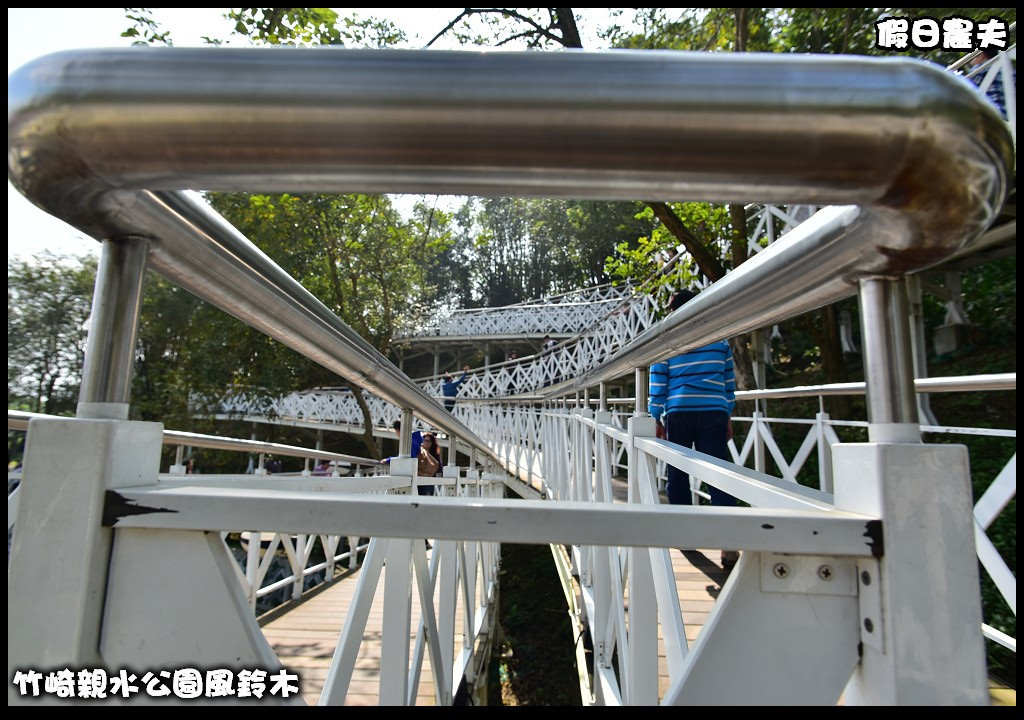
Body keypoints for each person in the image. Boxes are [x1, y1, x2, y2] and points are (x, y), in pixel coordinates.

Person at [648, 289, 739, 570]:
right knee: (719, 474)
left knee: (678, 471)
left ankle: (685, 533)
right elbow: (728, 382)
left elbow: (658, 379)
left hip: (679, 412)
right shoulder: (718, 339)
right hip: (713, 411)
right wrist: (727, 413)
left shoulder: (668, 342)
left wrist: (655, 415)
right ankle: (729, 545)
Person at [419, 432, 443, 496]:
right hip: (419, 480)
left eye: (428, 441)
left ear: (432, 442)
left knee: (427, 500)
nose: (426, 442)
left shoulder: (435, 454)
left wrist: (427, 454)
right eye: (425, 440)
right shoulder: (419, 452)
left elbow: (439, 468)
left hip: (429, 481)